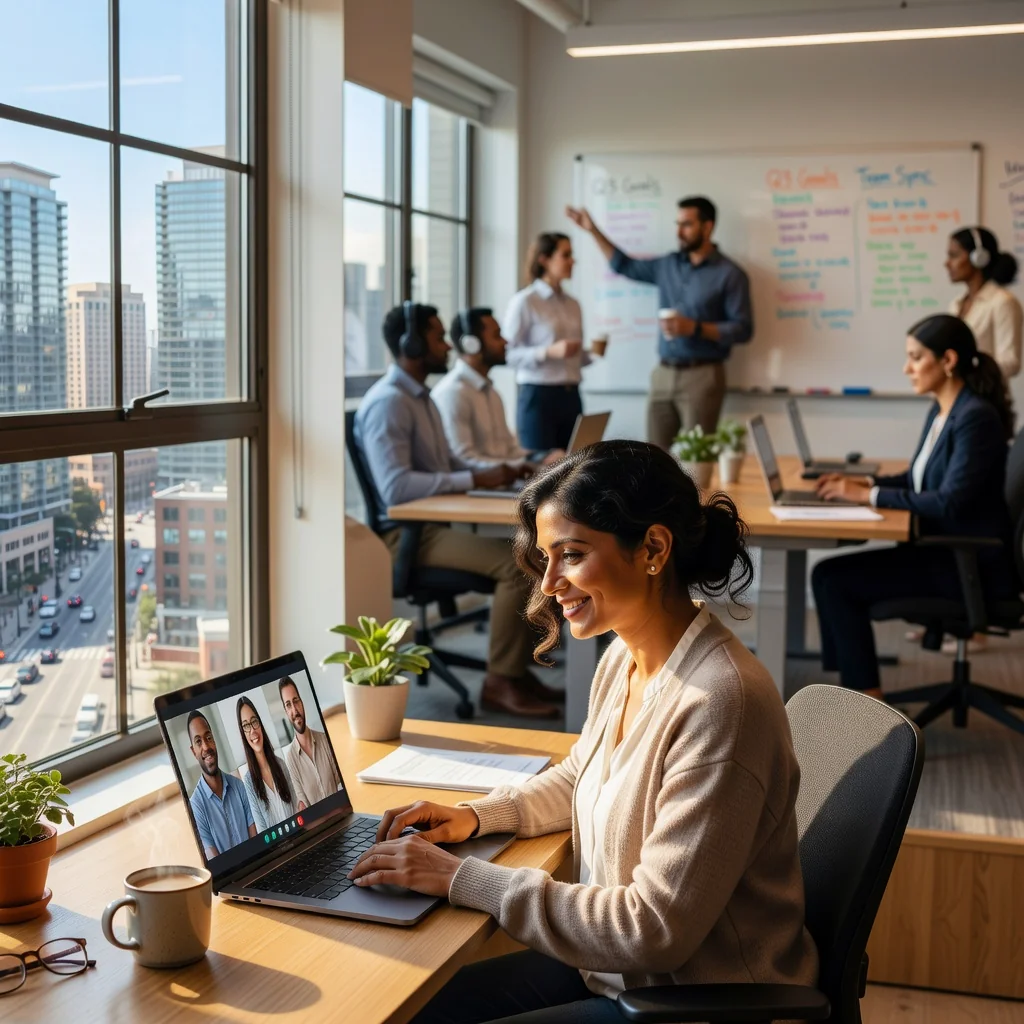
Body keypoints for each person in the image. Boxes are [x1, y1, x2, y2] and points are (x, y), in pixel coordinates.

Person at [348, 441, 819, 1023]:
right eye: (546, 558)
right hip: (616, 975)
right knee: (410, 1009)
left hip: (693, 1001)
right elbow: (583, 773)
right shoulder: (626, 657)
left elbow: (653, 929)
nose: (549, 583)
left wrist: (461, 878)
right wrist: (476, 816)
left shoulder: (721, 702)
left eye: (570, 555)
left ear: (652, 548)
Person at [354, 302, 562, 718]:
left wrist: (500, 471)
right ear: (410, 344)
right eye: (436, 336)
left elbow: (449, 464)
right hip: (404, 537)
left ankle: (516, 672)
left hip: (433, 526)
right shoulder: (389, 403)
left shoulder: (420, 399)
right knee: (517, 562)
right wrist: (473, 480)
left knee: (536, 551)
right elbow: (395, 488)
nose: (446, 344)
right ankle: (500, 682)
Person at [812, 314, 1018, 699]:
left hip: (966, 565)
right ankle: (853, 693)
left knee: (836, 582)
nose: (907, 368)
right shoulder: (943, 410)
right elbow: (917, 479)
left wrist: (867, 498)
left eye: (916, 357)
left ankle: (863, 705)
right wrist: (865, 484)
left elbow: (949, 500)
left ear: (948, 360)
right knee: (826, 577)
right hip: (941, 551)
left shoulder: (975, 419)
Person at [567, 197, 753, 450]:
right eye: (677, 224)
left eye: (686, 225)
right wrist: (592, 229)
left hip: (703, 374)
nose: (678, 232)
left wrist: (696, 328)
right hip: (663, 373)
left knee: (696, 459)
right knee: (652, 456)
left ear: (707, 227)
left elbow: (743, 329)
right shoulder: (668, 265)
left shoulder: (730, 274)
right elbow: (625, 265)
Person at [432, 307, 564, 471]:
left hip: (504, 484)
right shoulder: (453, 393)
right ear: (471, 344)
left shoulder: (492, 393)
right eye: (497, 336)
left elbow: (509, 451)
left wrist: (542, 457)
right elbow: (463, 461)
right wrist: (525, 467)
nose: (505, 342)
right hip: (476, 490)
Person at [504, 233, 592, 452]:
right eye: (566, 255)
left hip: (572, 395)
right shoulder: (525, 301)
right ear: (544, 259)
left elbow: (574, 359)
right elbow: (506, 354)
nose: (573, 261)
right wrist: (547, 352)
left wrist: (592, 354)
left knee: (575, 469)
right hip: (539, 396)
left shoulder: (574, 304)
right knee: (542, 472)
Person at [946, 226, 1022, 380]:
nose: (947, 263)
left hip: (985, 397)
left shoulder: (1002, 302)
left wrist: (967, 373)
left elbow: (1010, 362)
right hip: (956, 396)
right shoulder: (956, 304)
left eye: (954, 255)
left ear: (978, 257)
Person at [186, 711, 256, 859]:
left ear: (214, 740)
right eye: (198, 742)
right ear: (193, 751)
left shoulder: (239, 786)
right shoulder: (196, 807)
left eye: (208, 738)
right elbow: (215, 861)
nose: (206, 746)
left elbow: (255, 842)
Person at [236, 695, 303, 832]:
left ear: (260, 724)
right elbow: (262, 831)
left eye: (254, 722)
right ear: (243, 733)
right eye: (246, 726)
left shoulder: (281, 765)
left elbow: (297, 811)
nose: (252, 730)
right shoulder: (249, 782)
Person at [279, 677, 343, 807]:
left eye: (296, 701)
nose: (295, 710)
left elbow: (340, 782)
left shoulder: (324, 740)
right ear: (286, 711)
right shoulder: (291, 758)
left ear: (302, 703)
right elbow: (303, 803)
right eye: (288, 705)